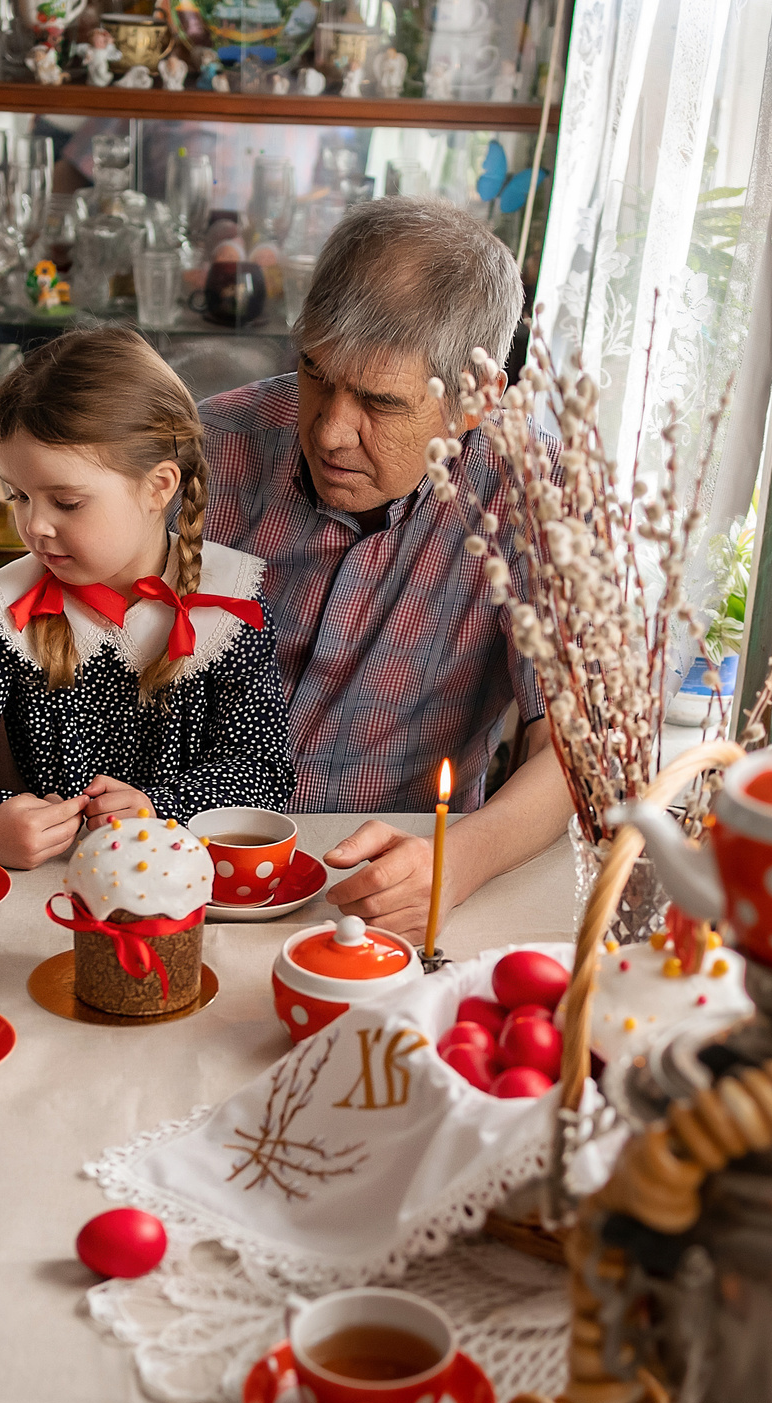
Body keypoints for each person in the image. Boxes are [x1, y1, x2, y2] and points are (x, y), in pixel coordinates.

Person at [201, 197, 571, 937]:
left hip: (387, 886)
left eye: (380, 402)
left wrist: (459, 859)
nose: (332, 431)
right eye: (315, 373)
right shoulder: (212, 447)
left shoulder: (529, 488)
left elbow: (568, 749)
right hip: (189, 860)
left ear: (477, 399)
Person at [0, 326, 292, 863]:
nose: (34, 525)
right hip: (45, 892)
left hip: (180, 888)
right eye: (19, 494)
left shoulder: (228, 606)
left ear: (159, 486)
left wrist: (161, 810)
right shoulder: (7, 612)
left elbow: (263, 772)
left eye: (67, 502)